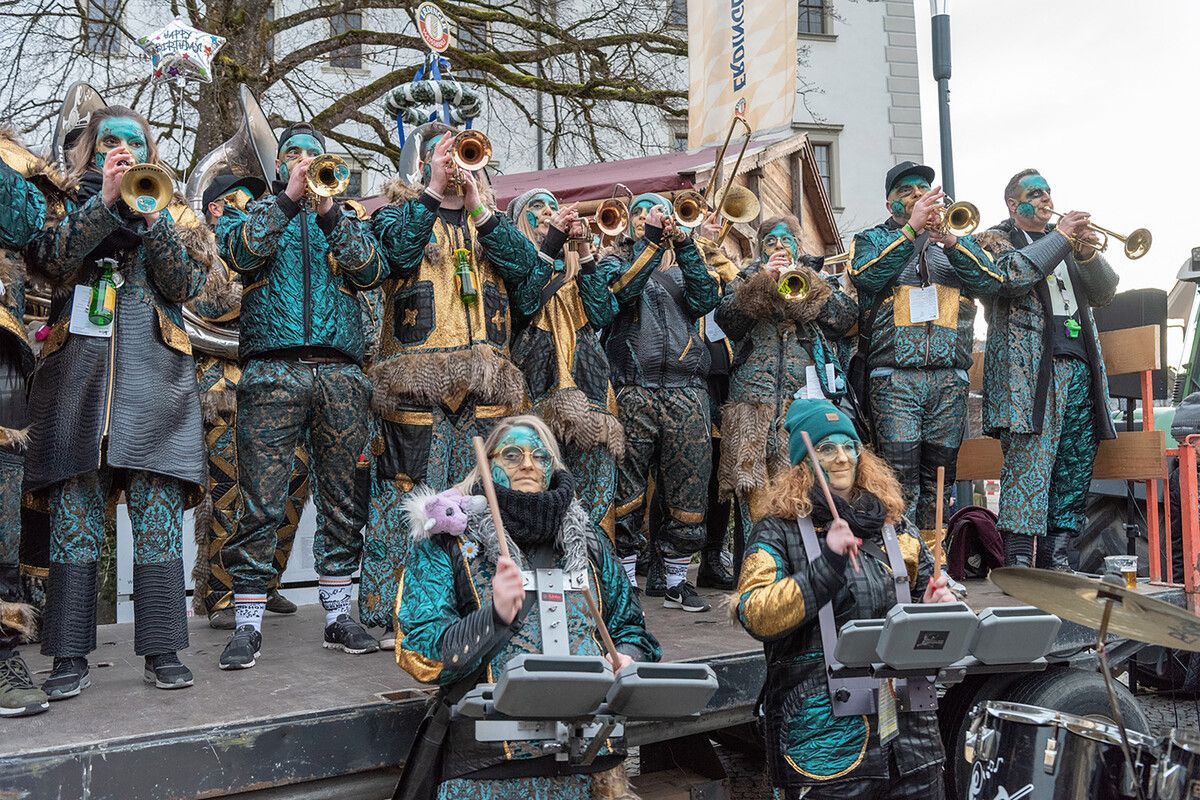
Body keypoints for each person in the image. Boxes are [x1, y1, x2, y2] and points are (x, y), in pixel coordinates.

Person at [25, 106, 211, 697]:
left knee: (157, 520)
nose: (124, 150)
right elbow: (49, 262)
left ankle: (163, 650)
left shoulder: (173, 208)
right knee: (75, 523)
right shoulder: (64, 201)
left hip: (154, 381)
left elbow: (185, 285)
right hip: (77, 382)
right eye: (112, 141)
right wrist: (102, 201)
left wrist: (149, 213)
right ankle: (68, 657)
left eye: (135, 142)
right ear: (91, 149)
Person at [393, 415, 660, 800]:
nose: (529, 465)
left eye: (541, 456)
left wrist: (628, 658)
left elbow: (633, 630)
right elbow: (419, 652)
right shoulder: (449, 542)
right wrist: (494, 618)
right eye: (513, 454)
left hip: (591, 765)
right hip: (488, 772)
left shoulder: (589, 541)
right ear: (488, 463)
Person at [360, 123, 541, 637]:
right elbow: (393, 255)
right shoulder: (398, 212)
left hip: (484, 392)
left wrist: (479, 207)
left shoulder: (492, 222)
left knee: (482, 502)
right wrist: (435, 191)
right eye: (446, 154)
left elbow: (527, 269)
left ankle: (479, 603)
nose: (459, 162)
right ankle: (392, 611)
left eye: (464, 154)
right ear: (423, 162)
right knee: (407, 501)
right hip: (416, 389)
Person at [218, 122, 384, 669]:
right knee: (261, 500)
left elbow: (371, 269)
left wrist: (330, 213)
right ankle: (246, 622)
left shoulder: (348, 217)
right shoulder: (252, 210)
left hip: (340, 373)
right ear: (279, 164)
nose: (308, 164)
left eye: (317, 157)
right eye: (296, 155)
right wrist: (288, 200)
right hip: (272, 369)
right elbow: (239, 255)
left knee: (340, 499)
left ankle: (337, 615)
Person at [735, 398, 956, 798]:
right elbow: (754, 613)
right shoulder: (777, 530)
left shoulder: (894, 524)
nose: (841, 458)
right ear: (804, 462)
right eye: (826, 449)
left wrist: (936, 608)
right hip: (826, 743)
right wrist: (828, 565)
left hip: (912, 740)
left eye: (848, 446)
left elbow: (931, 604)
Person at [848, 162, 1002, 554]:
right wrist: (911, 230)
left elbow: (990, 282)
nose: (918, 193)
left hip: (949, 378)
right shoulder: (871, 239)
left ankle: (934, 565)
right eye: (907, 190)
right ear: (890, 203)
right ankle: (901, 561)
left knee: (940, 479)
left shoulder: (956, 240)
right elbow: (865, 276)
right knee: (898, 476)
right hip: (894, 378)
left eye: (924, 188)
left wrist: (950, 241)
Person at [974, 169, 1118, 568]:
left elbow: (1105, 292)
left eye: (1048, 192)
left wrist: (1087, 252)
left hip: (1080, 367)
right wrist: (1061, 238)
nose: (1045, 199)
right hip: (1029, 373)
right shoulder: (994, 241)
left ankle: (1058, 557)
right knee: (1029, 463)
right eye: (1034, 193)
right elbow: (1011, 278)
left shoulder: (1069, 246)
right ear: (1012, 203)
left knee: (1074, 461)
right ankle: (1019, 560)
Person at [188, 173, 305, 628]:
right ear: (216, 207)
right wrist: (264, 298)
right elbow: (207, 306)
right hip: (223, 386)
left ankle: (264, 582)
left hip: (276, 379)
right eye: (244, 198)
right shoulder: (204, 245)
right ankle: (220, 594)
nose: (257, 204)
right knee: (229, 491)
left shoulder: (270, 240)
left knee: (292, 483)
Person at [716, 215, 858, 571]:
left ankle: (802, 565)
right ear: (760, 248)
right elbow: (727, 320)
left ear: (799, 244)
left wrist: (805, 284)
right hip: (752, 399)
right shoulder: (748, 277)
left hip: (804, 400)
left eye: (786, 240)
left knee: (802, 480)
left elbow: (844, 319)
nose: (779, 246)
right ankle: (756, 566)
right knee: (752, 486)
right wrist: (765, 284)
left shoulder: (817, 277)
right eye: (771, 241)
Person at [604, 193, 721, 612]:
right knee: (627, 489)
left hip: (687, 391)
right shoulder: (612, 262)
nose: (643, 218)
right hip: (633, 386)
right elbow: (619, 293)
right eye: (637, 213)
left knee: (690, 486)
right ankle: (625, 577)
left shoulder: (681, 269)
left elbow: (707, 299)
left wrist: (687, 245)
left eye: (652, 213)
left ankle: (675, 580)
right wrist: (652, 244)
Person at [507, 189, 624, 541]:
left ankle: (594, 563)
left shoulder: (578, 265)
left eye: (553, 206)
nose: (547, 212)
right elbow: (522, 306)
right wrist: (552, 244)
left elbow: (603, 313)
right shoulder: (515, 260)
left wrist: (584, 252)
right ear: (519, 220)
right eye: (537, 206)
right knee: (534, 474)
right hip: (534, 384)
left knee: (595, 481)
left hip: (588, 386)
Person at [0, 130, 59, 716]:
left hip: (2, 352)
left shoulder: (13, 162)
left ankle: (1, 651)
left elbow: (25, 225)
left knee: (2, 510)